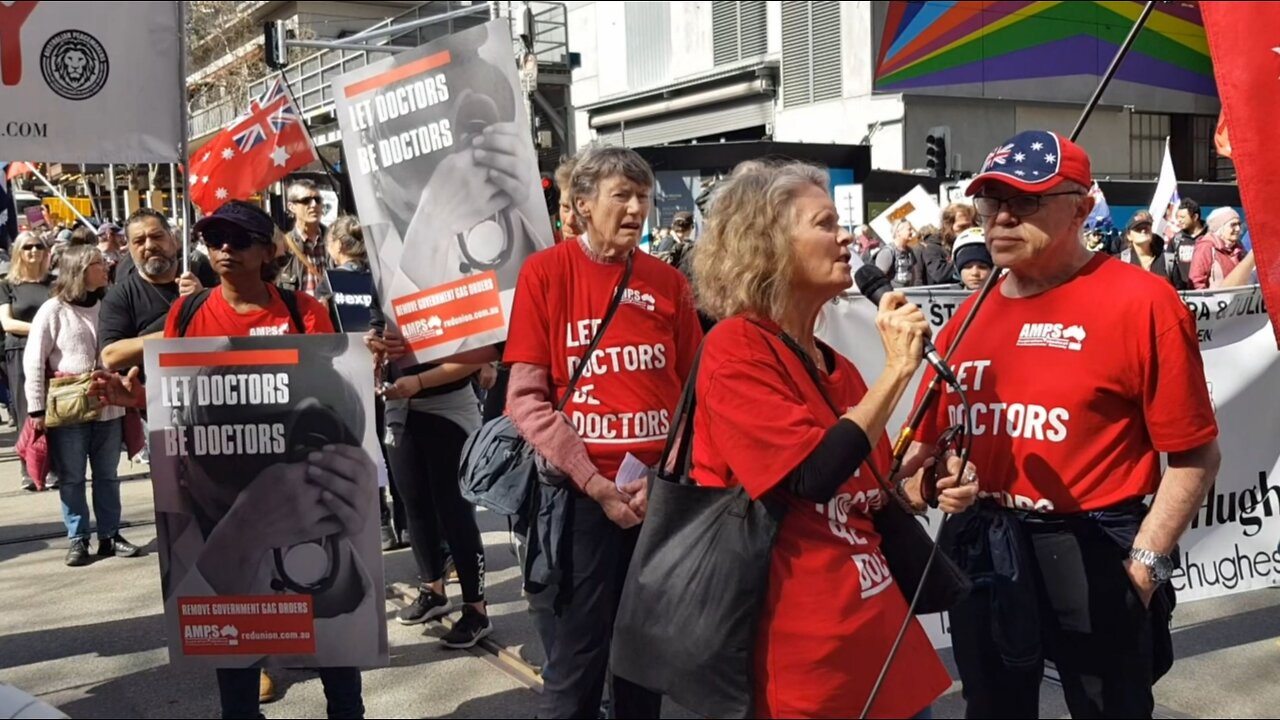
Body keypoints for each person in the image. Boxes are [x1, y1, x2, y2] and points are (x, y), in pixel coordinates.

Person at [912, 130, 1220, 718]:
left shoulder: (1143, 302)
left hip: (1094, 541)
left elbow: (1195, 455)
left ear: (1081, 207)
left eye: (1024, 201)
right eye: (989, 202)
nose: (1001, 217)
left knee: (1110, 707)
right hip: (985, 545)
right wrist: (936, 482)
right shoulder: (965, 318)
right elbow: (917, 464)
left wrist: (1146, 566)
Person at [688, 159, 978, 718]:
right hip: (805, 658)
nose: (846, 235)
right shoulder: (735, 349)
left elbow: (868, 490)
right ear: (766, 243)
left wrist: (925, 487)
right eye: (824, 224)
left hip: (880, 636)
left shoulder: (835, 364)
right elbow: (812, 476)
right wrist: (897, 371)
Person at [95, 200, 369, 719]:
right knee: (235, 647)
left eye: (239, 239)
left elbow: (336, 391)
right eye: (214, 238)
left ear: (268, 250)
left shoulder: (302, 312)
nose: (224, 248)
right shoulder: (188, 313)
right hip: (221, 500)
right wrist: (135, 400)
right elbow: (174, 402)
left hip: (307, 500)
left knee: (336, 656)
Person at [504, 145, 704, 719]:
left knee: (643, 668)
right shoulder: (545, 273)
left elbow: (694, 397)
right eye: (623, 195)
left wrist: (665, 477)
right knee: (576, 672)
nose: (637, 208)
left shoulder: (669, 281)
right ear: (583, 205)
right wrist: (595, 483)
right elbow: (526, 400)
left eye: (644, 197)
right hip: (581, 501)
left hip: (657, 501)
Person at [24, 245, 139, 566]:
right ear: (79, 270)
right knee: (72, 477)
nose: (106, 268)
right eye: (98, 264)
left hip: (108, 405)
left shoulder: (109, 306)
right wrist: (36, 409)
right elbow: (33, 360)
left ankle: (109, 535)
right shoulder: (53, 310)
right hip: (68, 406)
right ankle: (78, 539)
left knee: (107, 475)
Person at [99, 209, 204, 374]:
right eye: (139, 241)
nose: (149, 246)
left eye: (157, 237)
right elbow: (110, 356)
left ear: (173, 239)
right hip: (151, 395)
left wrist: (204, 300)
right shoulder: (120, 295)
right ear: (129, 248)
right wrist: (174, 334)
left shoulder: (203, 273)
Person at [1, 231, 54, 490]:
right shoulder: (7, 285)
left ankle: (52, 466)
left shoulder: (54, 283)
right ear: (18, 253)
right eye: (27, 247)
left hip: (51, 350)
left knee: (53, 407)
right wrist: (41, 328)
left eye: (39, 247)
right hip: (20, 350)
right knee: (27, 408)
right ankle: (28, 467)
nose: (34, 251)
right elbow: (7, 322)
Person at [278, 179, 332, 301]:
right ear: (292, 207)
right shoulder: (283, 245)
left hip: (330, 316)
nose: (314, 205)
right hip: (300, 316)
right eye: (306, 201)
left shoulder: (334, 240)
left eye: (317, 200)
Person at [1189, 207, 1246, 290]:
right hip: (1216, 302)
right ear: (1220, 227)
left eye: (1239, 224)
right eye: (1233, 225)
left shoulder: (1238, 247)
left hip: (1240, 300)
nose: (1238, 229)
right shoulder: (1206, 246)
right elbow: (1196, 282)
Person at [1117, 211, 1174, 284]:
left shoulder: (1168, 261)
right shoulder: (1120, 262)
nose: (1143, 231)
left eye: (1146, 227)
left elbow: (1178, 291)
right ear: (1129, 236)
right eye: (1138, 228)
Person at [874, 220, 927, 288]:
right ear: (898, 232)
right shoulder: (888, 252)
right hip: (893, 295)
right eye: (909, 229)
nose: (912, 232)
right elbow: (878, 279)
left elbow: (913, 274)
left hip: (908, 294)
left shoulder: (910, 251)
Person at [1169, 198, 1207, 290]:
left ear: (1195, 217)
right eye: (1178, 217)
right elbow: (1169, 265)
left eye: (1182, 217)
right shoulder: (1176, 240)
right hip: (1184, 293)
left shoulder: (1211, 237)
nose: (1179, 220)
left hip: (1207, 293)